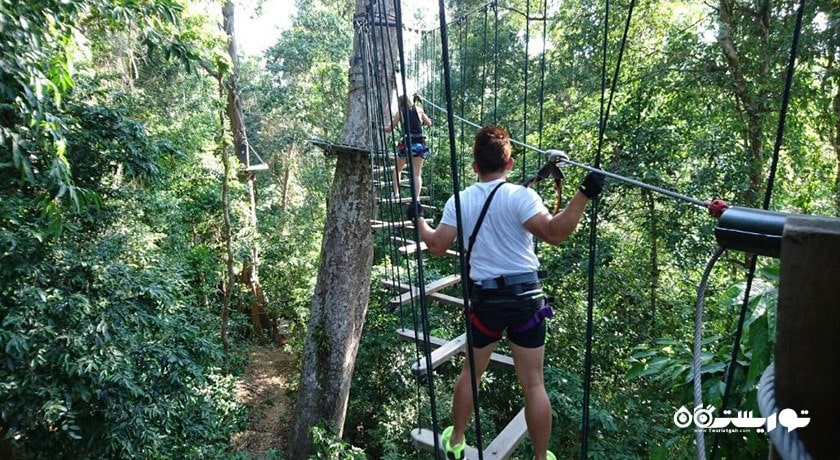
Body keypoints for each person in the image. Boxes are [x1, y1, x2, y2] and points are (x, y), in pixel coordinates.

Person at [412, 125, 604, 460]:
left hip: (486, 303)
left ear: (474, 166)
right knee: (534, 384)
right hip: (526, 300)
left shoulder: (460, 201)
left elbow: (437, 246)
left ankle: (456, 439)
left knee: (471, 374)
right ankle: (541, 458)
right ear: (510, 164)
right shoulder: (521, 196)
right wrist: (583, 194)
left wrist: (420, 221)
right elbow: (555, 233)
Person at [384, 94, 432, 200]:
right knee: (416, 174)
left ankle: (396, 194)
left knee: (397, 170)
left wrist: (378, 127)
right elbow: (429, 123)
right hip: (419, 144)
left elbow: (389, 129)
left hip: (406, 144)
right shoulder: (419, 110)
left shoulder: (400, 112)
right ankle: (416, 198)